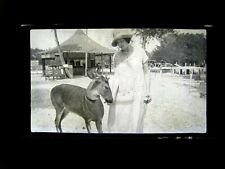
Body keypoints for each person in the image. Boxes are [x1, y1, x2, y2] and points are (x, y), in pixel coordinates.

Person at [107, 29, 152, 133]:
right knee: (119, 123)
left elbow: (146, 73)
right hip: (122, 94)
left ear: (127, 40)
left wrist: (148, 92)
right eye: (118, 42)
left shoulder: (140, 52)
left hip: (138, 93)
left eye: (122, 41)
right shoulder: (116, 56)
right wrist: (111, 95)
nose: (120, 44)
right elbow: (116, 76)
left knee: (136, 123)